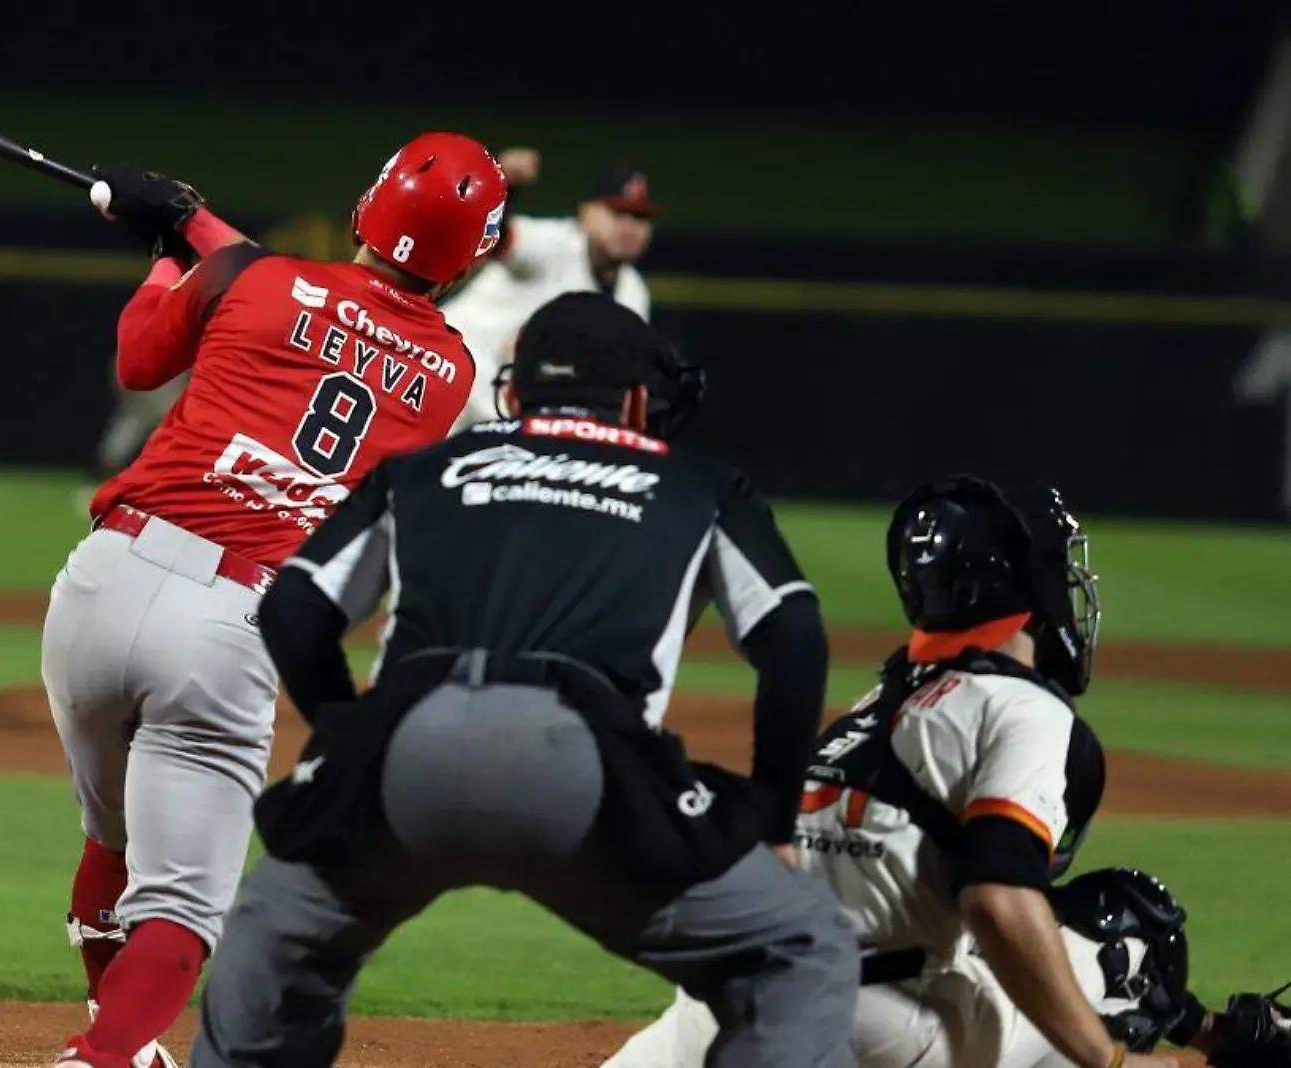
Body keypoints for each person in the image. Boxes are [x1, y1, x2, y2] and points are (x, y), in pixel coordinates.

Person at [186, 291, 857, 1068]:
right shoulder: (699, 484)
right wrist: (772, 821)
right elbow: (796, 638)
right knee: (801, 951)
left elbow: (296, 609)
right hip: (583, 766)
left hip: (406, 756)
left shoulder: (423, 469)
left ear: (514, 391)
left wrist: (347, 738)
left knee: (273, 948)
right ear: (639, 399)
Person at [45, 133, 509, 1068]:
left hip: (99, 583)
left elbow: (142, 358)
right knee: (182, 910)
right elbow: (349, 326)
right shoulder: (451, 374)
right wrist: (198, 239)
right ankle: (99, 1060)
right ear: (475, 255)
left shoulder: (253, 278)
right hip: (232, 625)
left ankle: (124, 1049)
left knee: (113, 840)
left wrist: (171, 257)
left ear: (366, 205)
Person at [601, 477, 1291, 1068]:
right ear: (1030, 587)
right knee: (1125, 933)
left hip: (715, 1002)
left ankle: (1216, 1033)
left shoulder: (888, 695)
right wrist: (1102, 1056)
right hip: (861, 1027)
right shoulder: (1023, 709)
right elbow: (996, 898)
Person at [440, 149, 656, 428]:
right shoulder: (554, 244)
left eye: (639, 218)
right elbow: (493, 236)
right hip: (448, 366)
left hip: (502, 403)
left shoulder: (633, 293)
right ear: (586, 213)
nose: (629, 227)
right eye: (617, 213)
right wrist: (502, 183)